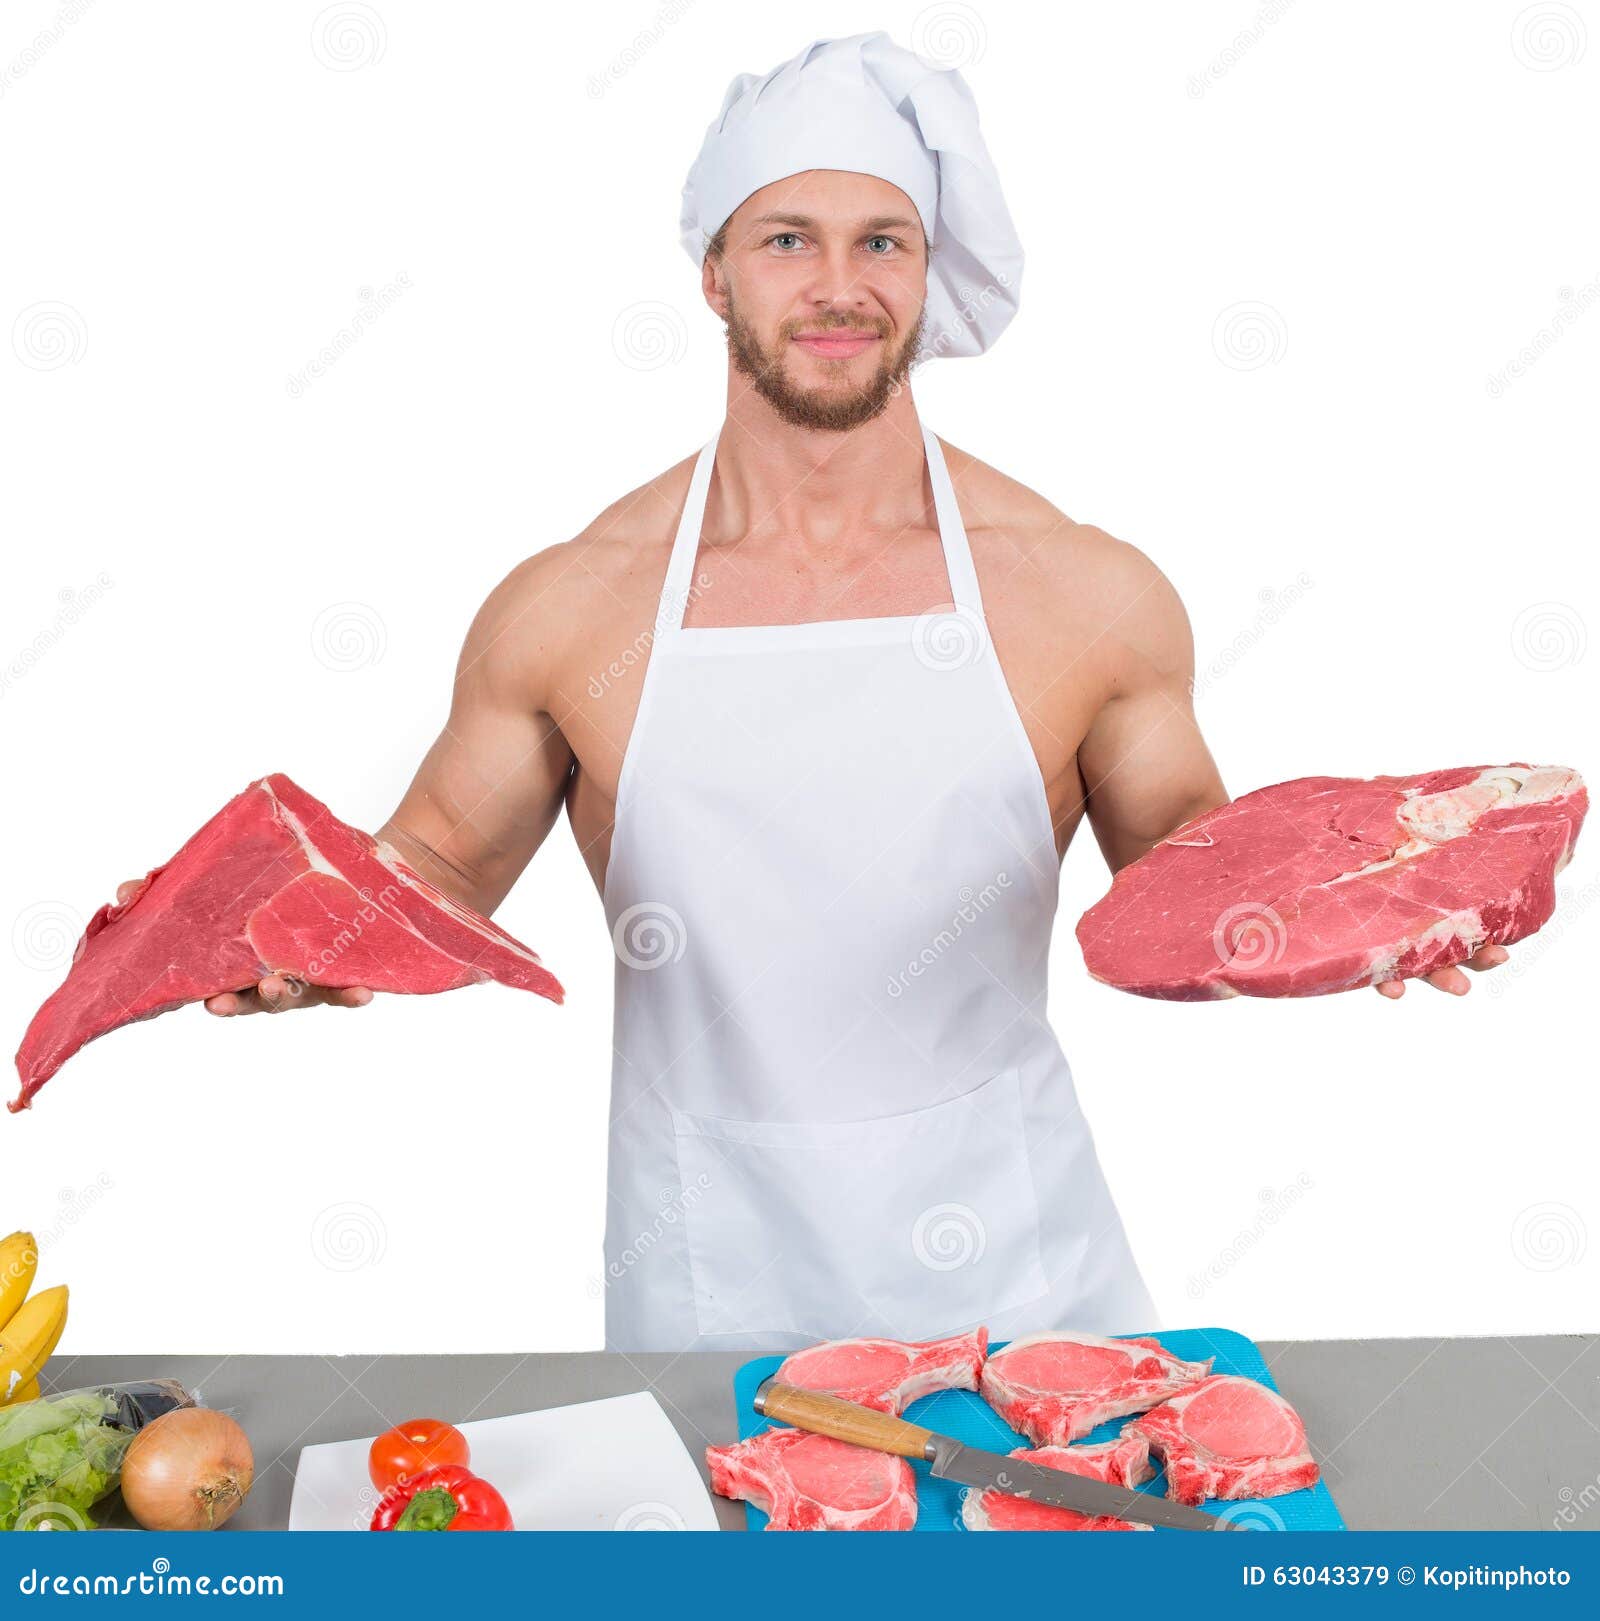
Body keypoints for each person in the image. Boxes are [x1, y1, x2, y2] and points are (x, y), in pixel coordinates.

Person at [180, 34, 1506, 1351]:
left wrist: (1379, 909)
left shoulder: (1083, 592)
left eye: (883, 242)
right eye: (786, 240)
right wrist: (301, 937)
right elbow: (437, 865)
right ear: (712, 273)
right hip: (711, 1282)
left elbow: (1201, 891)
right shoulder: (572, 605)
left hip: (1028, 1290)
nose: (837, 287)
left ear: (929, 274)